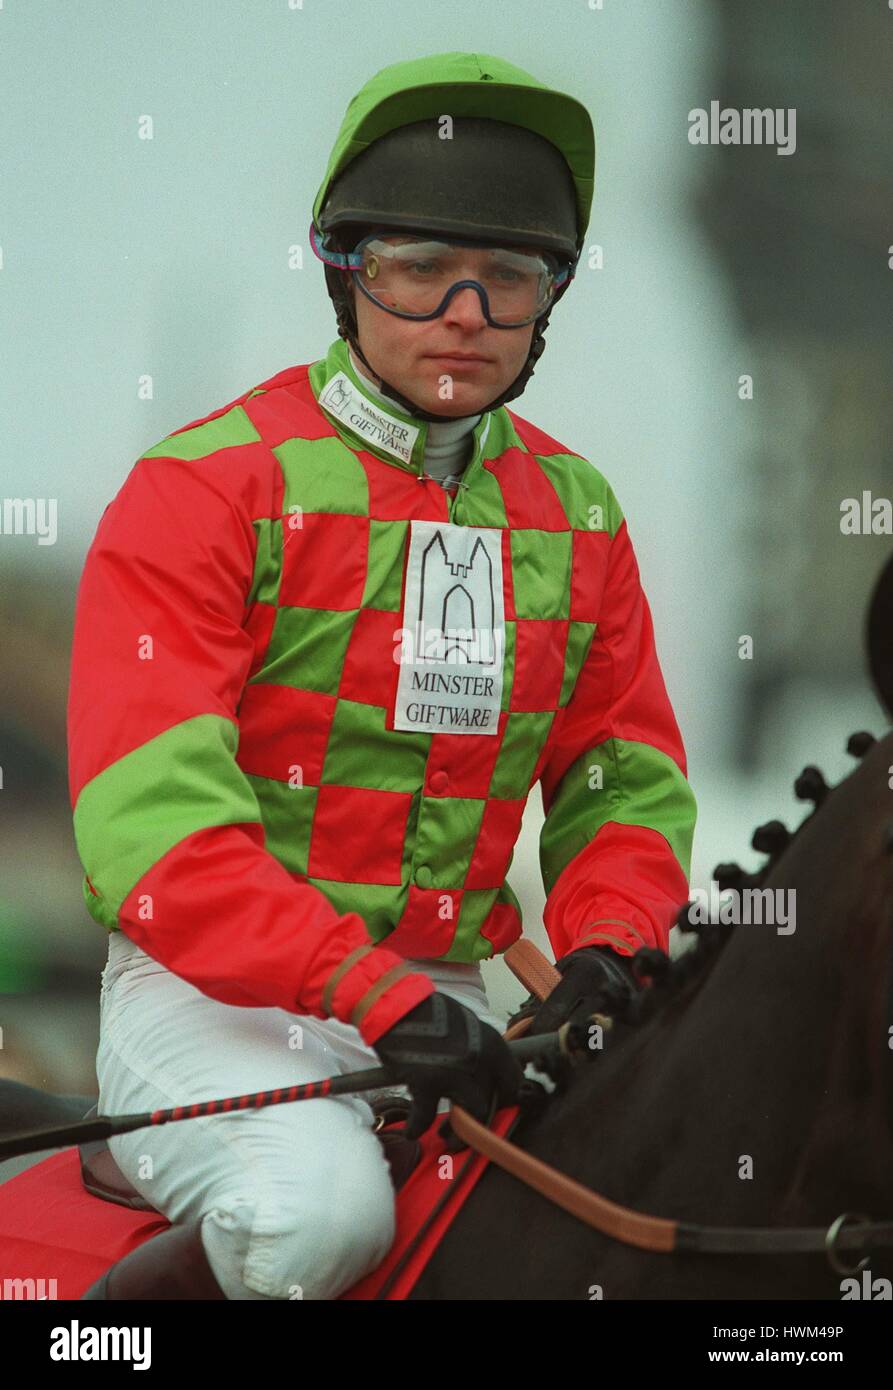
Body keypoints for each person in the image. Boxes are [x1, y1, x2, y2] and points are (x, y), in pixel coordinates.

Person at [69, 51, 697, 1301]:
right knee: (317, 1219)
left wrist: (610, 951)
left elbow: (623, 780)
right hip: (209, 1009)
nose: (464, 311)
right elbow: (158, 833)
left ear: (544, 303)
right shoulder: (205, 489)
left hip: (454, 995)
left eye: (507, 278)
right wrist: (368, 988)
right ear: (345, 274)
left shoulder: (575, 515)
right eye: (419, 270)